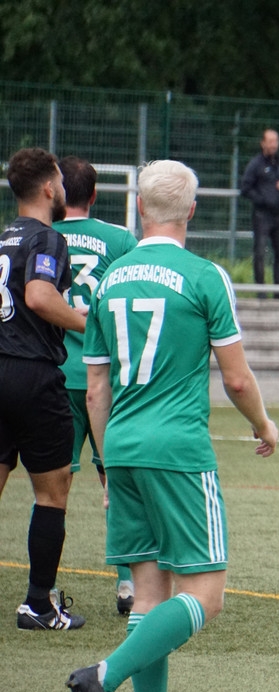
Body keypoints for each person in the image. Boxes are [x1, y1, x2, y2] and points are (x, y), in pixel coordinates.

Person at [66, 160, 278, 692]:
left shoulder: (110, 280)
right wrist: (263, 423)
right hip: (178, 450)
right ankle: (105, 674)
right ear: (192, 210)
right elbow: (236, 379)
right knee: (206, 595)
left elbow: (95, 390)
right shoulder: (206, 277)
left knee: (147, 597)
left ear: (139, 207)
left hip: (122, 447)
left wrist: (107, 462)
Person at [0, 147, 88, 631]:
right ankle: (38, 605)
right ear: (50, 187)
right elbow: (38, 295)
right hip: (32, 374)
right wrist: (85, 323)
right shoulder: (47, 237)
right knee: (52, 492)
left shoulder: (3, 238)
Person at [52, 156, 139, 616]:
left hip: (55, 375)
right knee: (117, 481)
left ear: (56, 191)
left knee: (52, 489)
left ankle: (44, 586)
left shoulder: (42, 236)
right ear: (95, 194)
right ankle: (127, 583)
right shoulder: (120, 240)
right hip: (104, 377)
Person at [240, 128, 279, 299]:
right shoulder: (256, 164)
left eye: (275, 141)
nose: (273, 145)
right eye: (270, 141)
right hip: (262, 215)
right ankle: (261, 290)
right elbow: (245, 188)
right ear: (263, 143)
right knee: (260, 252)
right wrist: (262, 199)